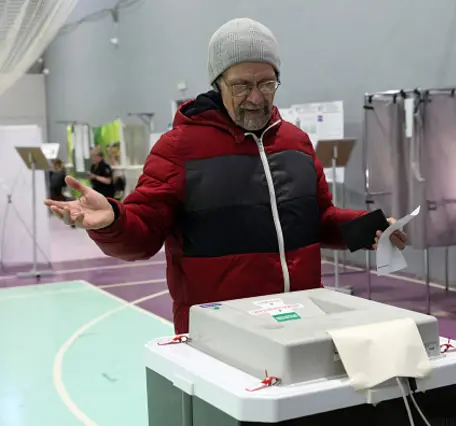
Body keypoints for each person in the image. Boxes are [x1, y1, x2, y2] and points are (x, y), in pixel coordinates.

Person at [44, 17, 407, 333]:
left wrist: (367, 225)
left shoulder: (296, 144)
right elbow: (143, 234)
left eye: (266, 84)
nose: (256, 97)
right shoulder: (178, 149)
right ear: (218, 83)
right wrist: (112, 221)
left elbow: (318, 220)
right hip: (217, 333)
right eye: (241, 85)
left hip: (300, 321)